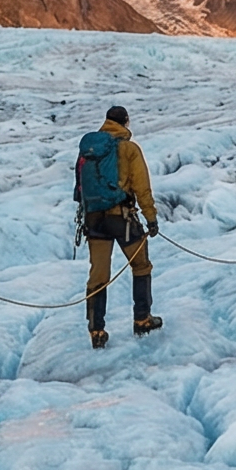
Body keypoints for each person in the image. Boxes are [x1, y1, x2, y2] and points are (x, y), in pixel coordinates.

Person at [77, 105, 163, 348]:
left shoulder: (88, 150)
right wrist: (151, 218)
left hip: (94, 219)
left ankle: (96, 331)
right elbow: (141, 187)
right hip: (121, 218)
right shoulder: (128, 149)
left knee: (98, 276)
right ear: (126, 121)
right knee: (141, 265)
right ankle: (142, 319)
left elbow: (80, 188)